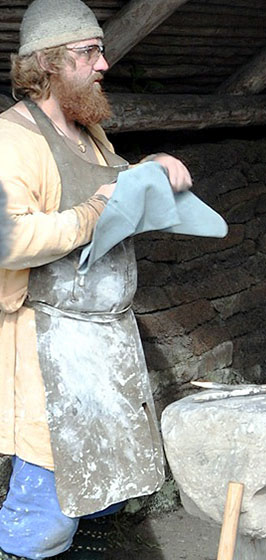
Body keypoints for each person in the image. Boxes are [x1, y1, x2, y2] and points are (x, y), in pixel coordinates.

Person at [0, 0, 193, 557]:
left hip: (107, 341)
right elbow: (8, 239)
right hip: (49, 345)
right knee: (47, 507)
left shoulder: (88, 132)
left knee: (100, 492)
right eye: (89, 52)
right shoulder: (13, 140)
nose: (103, 63)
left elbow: (117, 190)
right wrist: (88, 215)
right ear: (49, 62)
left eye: (100, 50)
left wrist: (151, 166)